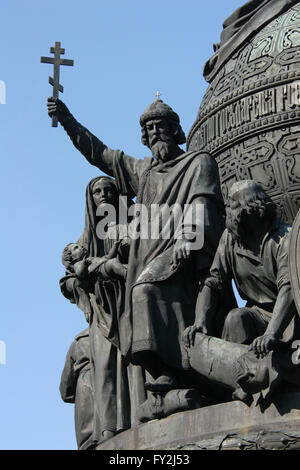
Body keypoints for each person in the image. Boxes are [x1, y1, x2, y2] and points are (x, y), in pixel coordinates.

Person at [48, 97, 225, 392]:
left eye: (161, 126)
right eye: (149, 129)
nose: (156, 133)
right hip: (147, 257)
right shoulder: (143, 171)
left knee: (144, 291)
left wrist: (187, 237)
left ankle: (177, 367)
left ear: (174, 130)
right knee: (140, 290)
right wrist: (68, 120)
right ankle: (164, 374)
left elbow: (203, 202)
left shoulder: (198, 162)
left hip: (184, 250)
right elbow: (100, 154)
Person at [60, 176, 144, 445]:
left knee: (135, 361)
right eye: (98, 191)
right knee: (105, 366)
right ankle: (108, 430)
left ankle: (141, 417)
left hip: (129, 303)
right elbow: (67, 280)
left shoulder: (131, 227)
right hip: (101, 309)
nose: (104, 195)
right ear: (90, 198)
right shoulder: (84, 239)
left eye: (109, 190)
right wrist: (82, 283)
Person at [183, 180, 299, 359]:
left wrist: (271, 333)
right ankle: (245, 377)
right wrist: (200, 322)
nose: (227, 212)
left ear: (252, 208)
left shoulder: (285, 238)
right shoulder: (230, 239)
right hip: (259, 314)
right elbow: (213, 282)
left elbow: (289, 288)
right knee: (236, 318)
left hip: (291, 316)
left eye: (233, 205)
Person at [60, 329, 94, 450]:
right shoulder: (114, 334)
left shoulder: (79, 341)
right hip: (111, 379)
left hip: (85, 386)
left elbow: (65, 389)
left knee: (87, 441)